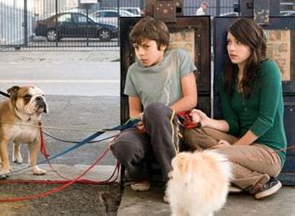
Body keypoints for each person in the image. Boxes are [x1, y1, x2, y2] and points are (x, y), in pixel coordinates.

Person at [185, 18, 287, 200]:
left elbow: (266, 120)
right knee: (193, 133)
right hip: (241, 144)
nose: (231, 48)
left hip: (269, 152)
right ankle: (257, 181)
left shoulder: (268, 69)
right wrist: (207, 121)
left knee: (212, 155)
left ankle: (234, 177)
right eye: (229, 42)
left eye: (239, 42)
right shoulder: (226, 77)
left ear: (253, 44)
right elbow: (232, 123)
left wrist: (233, 147)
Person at [110, 17, 198, 202]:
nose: (140, 53)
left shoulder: (179, 58)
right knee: (122, 144)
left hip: (174, 129)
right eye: (136, 47)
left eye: (146, 46)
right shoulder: (134, 71)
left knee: (155, 110)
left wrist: (153, 115)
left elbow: (191, 99)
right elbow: (134, 111)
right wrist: (141, 121)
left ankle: (174, 181)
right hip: (146, 130)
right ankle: (138, 174)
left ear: (163, 45)